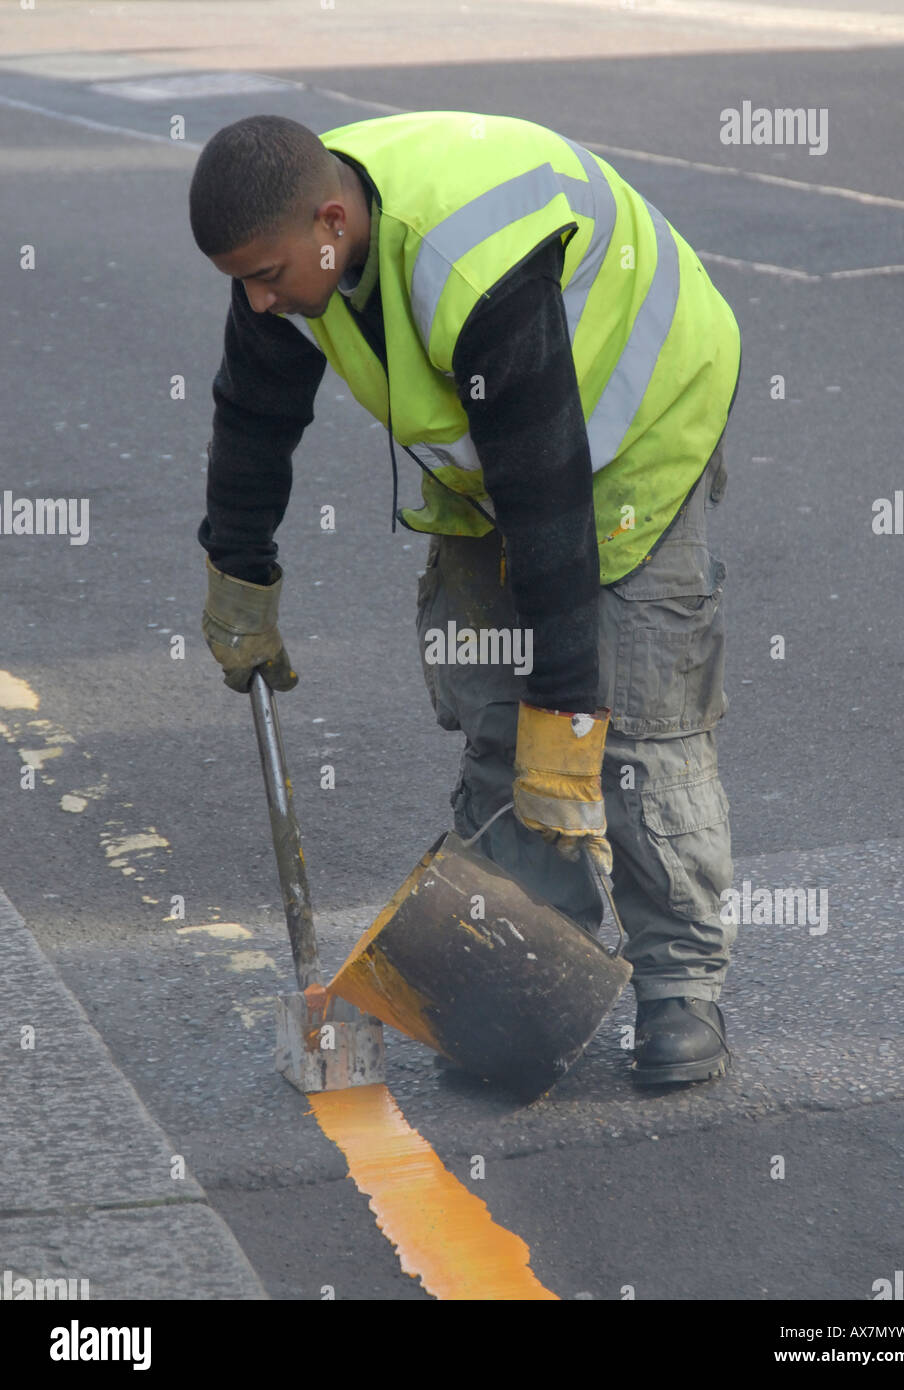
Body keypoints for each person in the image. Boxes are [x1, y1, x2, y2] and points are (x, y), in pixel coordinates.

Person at [189, 110, 741, 1088]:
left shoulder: (471, 268)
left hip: (638, 428)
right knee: (499, 718)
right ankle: (531, 962)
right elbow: (254, 413)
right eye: (244, 282)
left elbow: (549, 502)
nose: (260, 301)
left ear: (329, 221)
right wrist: (241, 577)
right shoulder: (290, 247)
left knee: (640, 730)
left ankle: (679, 988)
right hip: (502, 458)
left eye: (266, 276)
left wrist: (570, 719)